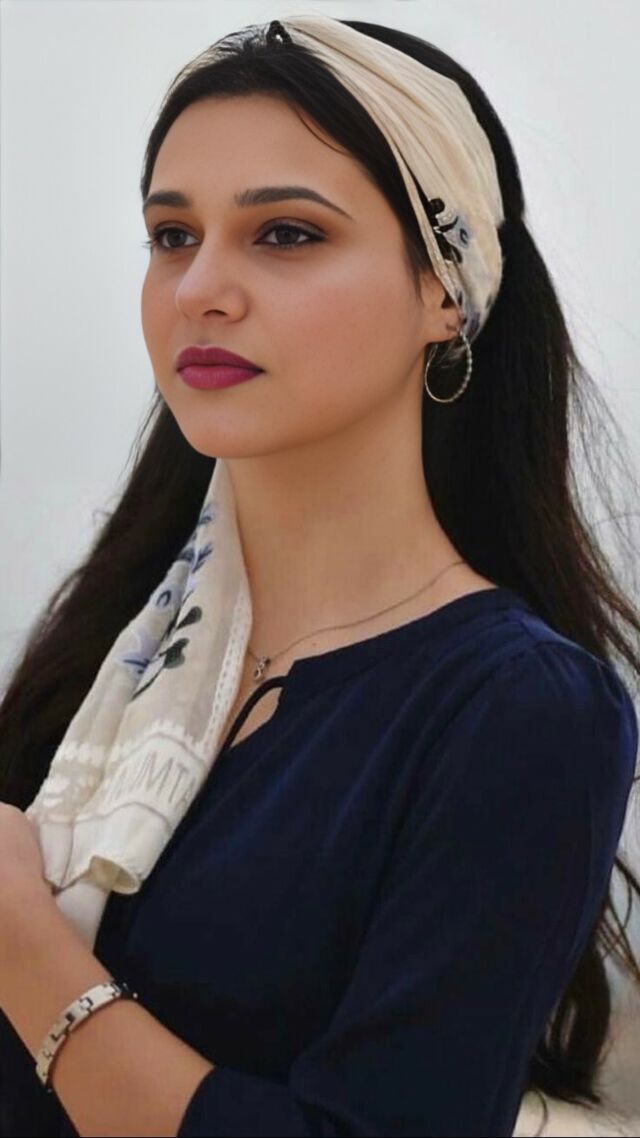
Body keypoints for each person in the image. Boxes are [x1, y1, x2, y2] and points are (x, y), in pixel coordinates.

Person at [0, 14, 638, 1137]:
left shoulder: (515, 708)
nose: (200, 287)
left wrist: (30, 959)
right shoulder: (112, 656)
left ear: (444, 291)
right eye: (171, 234)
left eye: (286, 234)